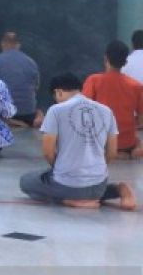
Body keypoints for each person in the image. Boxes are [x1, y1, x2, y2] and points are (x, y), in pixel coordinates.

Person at [20, 74, 136, 210]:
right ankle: (118, 189)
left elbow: (47, 152)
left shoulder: (56, 110)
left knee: (26, 182)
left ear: (58, 92)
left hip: (67, 186)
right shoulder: (106, 111)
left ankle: (70, 200)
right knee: (88, 185)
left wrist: (59, 168)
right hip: (98, 186)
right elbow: (112, 152)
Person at [81, 40, 143, 159]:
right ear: (125, 62)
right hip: (126, 144)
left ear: (105, 58)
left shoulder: (94, 81)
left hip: (100, 143)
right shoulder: (136, 86)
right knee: (138, 142)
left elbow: (83, 111)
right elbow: (141, 120)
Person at [0, 31, 41, 128]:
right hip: (28, 114)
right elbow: (36, 87)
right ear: (18, 45)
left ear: (2, 44)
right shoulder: (31, 62)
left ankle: (10, 122)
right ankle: (25, 123)